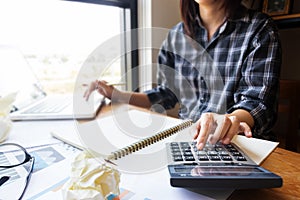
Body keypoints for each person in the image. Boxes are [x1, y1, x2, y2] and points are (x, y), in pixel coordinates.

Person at [84, 0, 281, 150]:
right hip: (190, 141)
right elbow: (166, 94)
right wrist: (116, 95)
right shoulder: (176, 35)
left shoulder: (259, 29)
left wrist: (229, 120)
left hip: (239, 144)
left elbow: (258, 103)